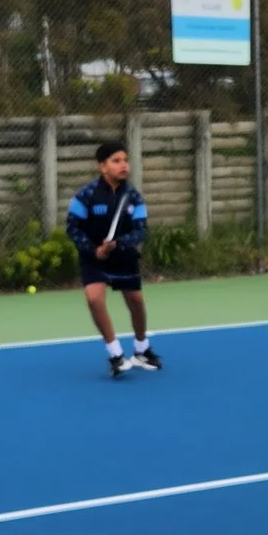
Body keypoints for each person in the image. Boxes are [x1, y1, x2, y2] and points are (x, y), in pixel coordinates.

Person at [67, 139, 161, 379]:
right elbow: (73, 228)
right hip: (93, 258)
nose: (124, 166)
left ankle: (141, 349)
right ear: (102, 166)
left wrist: (118, 244)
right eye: (116, 161)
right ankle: (116, 355)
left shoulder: (134, 197)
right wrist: (92, 249)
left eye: (125, 160)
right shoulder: (85, 196)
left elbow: (141, 230)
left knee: (136, 302)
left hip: (124, 258)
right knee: (94, 298)